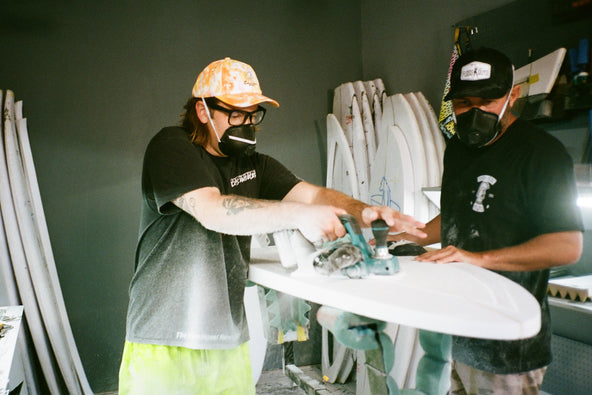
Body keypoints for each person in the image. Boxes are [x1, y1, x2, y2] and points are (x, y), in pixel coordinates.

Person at [118, 57, 426, 394]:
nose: (247, 123)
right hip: (165, 338)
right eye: (236, 114)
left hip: (227, 338)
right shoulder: (171, 147)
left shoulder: (254, 165)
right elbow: (211, 210)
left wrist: (364, 212)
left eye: (253, 114)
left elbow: (313, 195)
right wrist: (295, 215)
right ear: (203, 112)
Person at [391, 47, 584, 394]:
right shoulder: (460, 148)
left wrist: (476, 259)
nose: (474, 111)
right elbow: (463, 211)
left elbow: (567, 246)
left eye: (488, 100)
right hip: (462, 327)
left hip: (508, 344)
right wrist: (417, 233)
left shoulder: (542, 154)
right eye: (464, 103)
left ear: (514, 96)